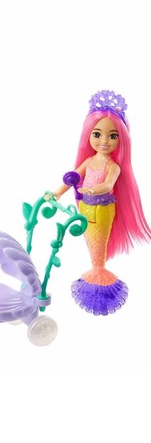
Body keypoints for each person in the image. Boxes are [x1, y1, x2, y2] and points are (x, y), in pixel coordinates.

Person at [52, 90, 151, 315]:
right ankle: (96, 270)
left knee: (98, 246)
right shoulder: (88, 161)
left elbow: (108, 185)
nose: (104, 141)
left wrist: (92, 189)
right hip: (85, 208)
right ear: (88, 135)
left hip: (103, 209)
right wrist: (57, 192)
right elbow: (73, 177)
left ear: (121, 139)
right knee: (91, 244)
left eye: (112, 136)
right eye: (97, 134)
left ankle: (100, 276)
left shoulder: (113, 166)